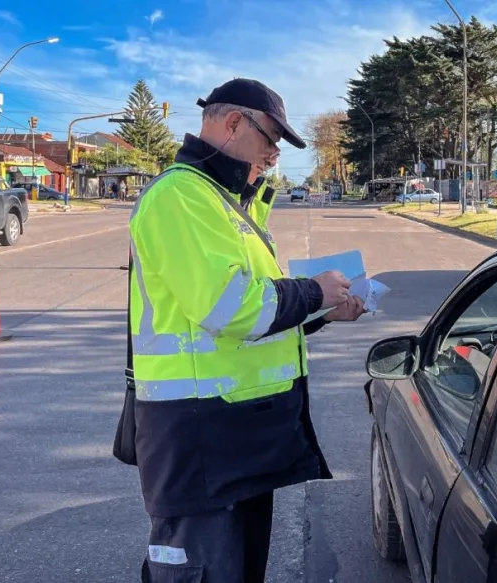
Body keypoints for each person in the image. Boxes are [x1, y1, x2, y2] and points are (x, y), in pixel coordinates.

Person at [127, 77, 366, 582]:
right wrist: (314, 292)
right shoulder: (182, 195)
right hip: (196, 440)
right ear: (234, 123)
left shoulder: (228, 201)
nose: (276, 154)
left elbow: (256, 314)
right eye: (272, 138)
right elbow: (230, 309)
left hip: (234, 436)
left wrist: (322, 312)